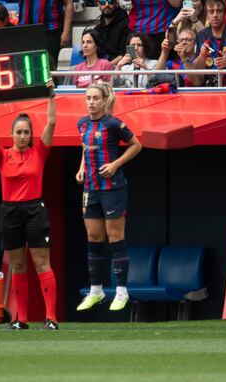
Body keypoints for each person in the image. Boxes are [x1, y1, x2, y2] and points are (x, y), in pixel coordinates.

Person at [0, 81, 58, 330]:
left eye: (26, 132)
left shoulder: (39, 152)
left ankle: (51, 318)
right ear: (12, 134)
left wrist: (51, 96)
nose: (22, 136)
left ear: (31, 134)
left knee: (42, 264)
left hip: (34, 210)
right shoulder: (2, 155)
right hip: (9, 211)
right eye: (18, 132)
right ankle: (20, 319)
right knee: (18, 265)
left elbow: (52, 123)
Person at [75, 82, 141, 312]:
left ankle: (122, 291)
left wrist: (115, 164)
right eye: (88, 98)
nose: (91, 102)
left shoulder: (113, 124)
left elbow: (136, 145)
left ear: (104, 100)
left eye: (95, 98)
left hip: (113, 188)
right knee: (94, 238)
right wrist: (81, 168)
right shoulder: (81, 124)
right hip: (90, 188)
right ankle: (96, 291)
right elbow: (85, 148)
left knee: (115, 238)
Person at [194, 0, 226, 87]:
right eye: (211, 11)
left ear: (225, 13)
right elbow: (195, 71)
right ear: (207, 15)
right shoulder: (201, 36)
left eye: (219, 11)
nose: (215, 15)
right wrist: (202, 56)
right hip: (210, 89)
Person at [19, 0, 74, 69]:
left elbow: (69, 3)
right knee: (24, 69)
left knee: (48, 69)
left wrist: (66, 32)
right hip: (24, 31)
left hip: (49, 32)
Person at [93, 0, 129, 65]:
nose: (106, 5)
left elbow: (125, 54)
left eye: (110, 1)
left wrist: (106, 67)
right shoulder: (97, 29)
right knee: (72, 69)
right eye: (102, 2)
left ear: (117, 3)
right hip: (100, 66)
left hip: (120, 67)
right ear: (98, 4)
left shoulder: (126, 24)